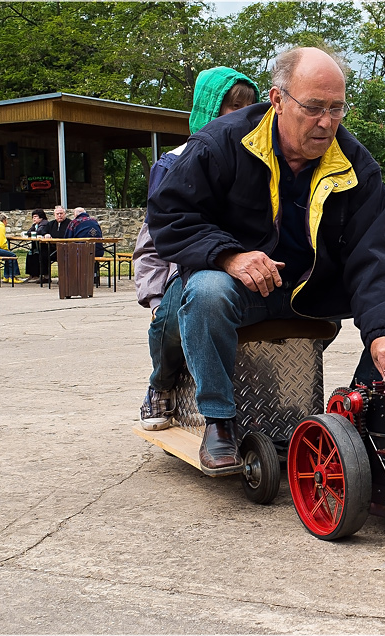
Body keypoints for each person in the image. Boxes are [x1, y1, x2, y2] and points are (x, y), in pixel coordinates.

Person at [148, 47, 385, 474]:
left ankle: (362, 409)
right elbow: (168, 217)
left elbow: (372, 252)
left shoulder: (358, 165)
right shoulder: (220, 143)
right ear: (278, 100)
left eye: (337, 109)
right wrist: (228, 255)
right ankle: (220, 420)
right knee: (205, 289)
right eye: (314, 108)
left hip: (310, 288)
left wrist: (383, 331)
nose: (326, 122)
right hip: (240, 289)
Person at [134, 66, 260, 430]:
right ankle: (161, 384)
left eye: (250, 106)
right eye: (232, 107)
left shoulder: (261, 157)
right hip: (186, 267)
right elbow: (153, 241)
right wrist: (155, 298)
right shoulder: (174, 162)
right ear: (208, 109)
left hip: (242, 268)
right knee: (172, 316)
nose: (243, 116)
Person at [24, 209, 48, 282]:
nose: (34, 218)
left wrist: (31, 233)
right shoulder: (35, 225)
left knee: (37, 254)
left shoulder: (44, 223)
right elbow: (29, 232)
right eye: (33, 217)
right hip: (37, 246)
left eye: (35, 217)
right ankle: (32, 275)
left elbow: (39, 232)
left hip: (45, 246)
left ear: (41, 217)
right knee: (30, 254)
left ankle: (39, 275)